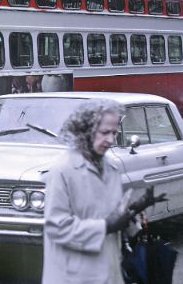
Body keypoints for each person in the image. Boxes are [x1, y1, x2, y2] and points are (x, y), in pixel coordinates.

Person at [42, 99, 165, 284]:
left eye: (115, 132)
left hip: (109, 272)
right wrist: (106, 226)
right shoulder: (62, 171)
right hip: (72, 276)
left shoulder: (111, 168)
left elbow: (115, 218)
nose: (111, 140)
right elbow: (56, 227)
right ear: (84, 130)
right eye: (105, 132)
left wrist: (134, 211)